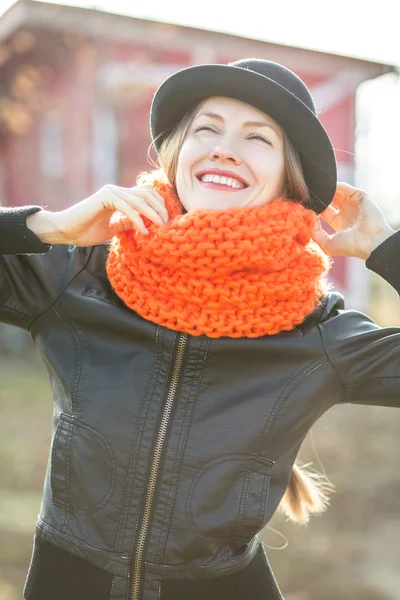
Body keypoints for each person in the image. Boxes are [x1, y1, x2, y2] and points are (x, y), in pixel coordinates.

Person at [1, 58, 399, 600]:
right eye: (206, 128)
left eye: (258, 138)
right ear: (177, 155)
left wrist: (388, 250)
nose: (224, 148)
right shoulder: (76, 277)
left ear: (290, 176)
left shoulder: (318, 331)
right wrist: (46, 226)